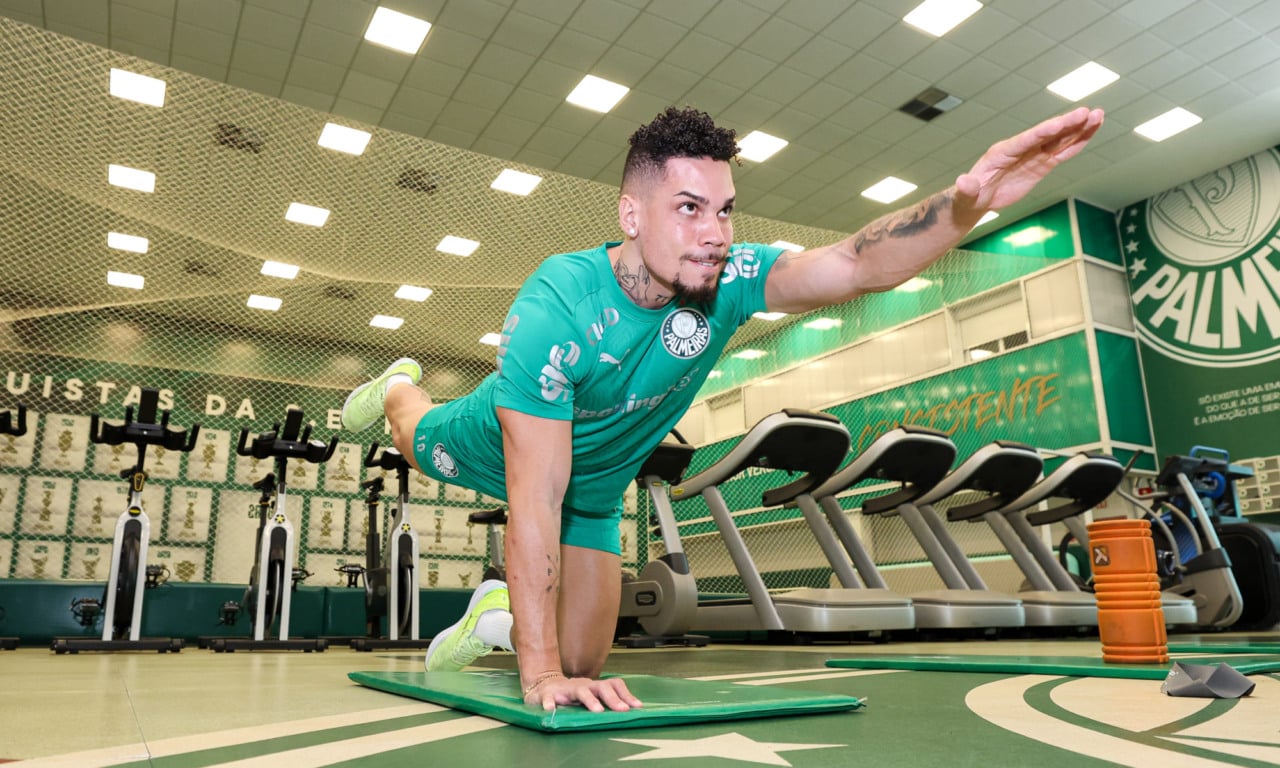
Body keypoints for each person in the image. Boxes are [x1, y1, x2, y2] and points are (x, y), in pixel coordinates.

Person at [341, 104, 1105, 713]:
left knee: (587, 666)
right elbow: (534, 498)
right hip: (503, 442)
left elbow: (852, 263)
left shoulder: (732, 278)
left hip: (600, 487)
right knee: (414, 437)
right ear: (632, 215)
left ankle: (493, 617)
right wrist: (535, 677)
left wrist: (964, 204)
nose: (713, 234)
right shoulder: (558, 305)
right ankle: (400, 384)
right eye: (688, 208)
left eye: (724, 210)